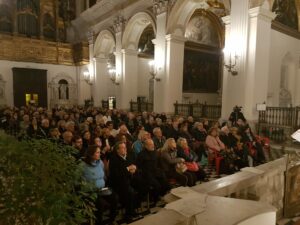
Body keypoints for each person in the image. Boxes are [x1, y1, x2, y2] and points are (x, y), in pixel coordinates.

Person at [81, 145, 117, 225]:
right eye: (97, 152)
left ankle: (112, 219)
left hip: (101, 189)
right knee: (100, 204)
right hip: (90, 192)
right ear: (91, 154)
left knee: (114, 197)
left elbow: (103, 175)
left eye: (99, 152)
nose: (100, 154)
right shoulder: (82, 165)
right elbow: (77, 181)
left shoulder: (100, 162)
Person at [108, 142, 141, 223]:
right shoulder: (113, 159)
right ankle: (128, 214)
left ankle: (134, 208)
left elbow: (133, 166)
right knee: (130, 192)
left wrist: (134, 169)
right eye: (122, 147)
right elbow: (116, 175)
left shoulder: (128, 156)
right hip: (117, 183)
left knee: (142, 184)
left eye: (125, 147)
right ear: (117, 150)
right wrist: (128, 169)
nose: (125, 149)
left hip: (128, 179)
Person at [136, 139, 170, 205]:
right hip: (147, 174)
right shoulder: (141, 154)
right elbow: (138, 166)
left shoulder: (155, 152)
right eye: (150, 145)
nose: (153, 146)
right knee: (157, 185)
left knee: (165, 183)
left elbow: (158, 163)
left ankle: (161, 195)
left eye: (153, 144)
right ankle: (155, 200)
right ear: (145, 146)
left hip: (155, 172)